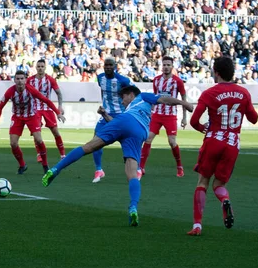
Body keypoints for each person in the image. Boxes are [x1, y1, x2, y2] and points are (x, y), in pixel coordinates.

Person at [42, 86, 193, 226]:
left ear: (131, 95)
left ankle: (55, 169)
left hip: (126, 122)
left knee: (88, 147)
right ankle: (133, 207)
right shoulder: (141, 113)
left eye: (123, 97)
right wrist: (105, 114)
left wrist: (183, 103)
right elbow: (117, 125)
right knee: (132, 174)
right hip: (139, 132)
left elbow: (164, 99)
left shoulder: (142, 96)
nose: (122, 101)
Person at [187, 56, 258, 236]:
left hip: (213, 140)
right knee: (219, 184)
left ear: (216, 72)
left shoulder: (209, 93)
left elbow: (194, 121)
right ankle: (224, 200)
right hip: (233, 143)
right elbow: (254, 118)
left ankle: (197, 225)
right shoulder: (243, 93)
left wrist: (204, 128)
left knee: (203, 181)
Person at [0, 70, 66, 174]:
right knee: (13, 143)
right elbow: (0, 107)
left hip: (32, 116)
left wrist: (57, 112)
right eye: (17, 79)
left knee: (39, 140)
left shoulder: (31, 89)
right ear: (14, 80)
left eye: (22, 79)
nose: (20, 81)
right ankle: (22, 165)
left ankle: (45, 165)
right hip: (17, 117)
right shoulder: (10, 91)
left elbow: (46, 100)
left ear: (25, 80)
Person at [138, 56, 188, 179]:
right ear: (162, 66)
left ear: (172, 66)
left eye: (168, 65)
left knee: (172, 142)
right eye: (164, 65)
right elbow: (155, 98)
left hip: (170, 116)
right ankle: (141, 168)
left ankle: (179, 166)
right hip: (157, 115)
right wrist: (150, 112)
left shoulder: (178, 82)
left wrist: (184, 117)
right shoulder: (156, 80)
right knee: (148, 139)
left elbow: (184, 100)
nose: (166, 67)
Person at [92, 57, 133, 183]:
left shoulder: (123, 80)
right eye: (106, 65)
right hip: (105, 115)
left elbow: (132, 95)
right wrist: (103, 106)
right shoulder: (100, 78)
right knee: (95, 142)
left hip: (120, 116)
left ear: (115, 66)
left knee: (127, 144)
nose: (108, 67)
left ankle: (133, 170)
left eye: (110, 65)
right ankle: (99, 170)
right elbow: (103, 93)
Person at [27, 59, 66, 162]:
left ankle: (62, 155)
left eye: (42, 66)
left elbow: (59, 93)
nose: (40, 68)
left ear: (45, 67)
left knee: (55, 132)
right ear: (36, 68)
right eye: (38, 66)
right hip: (35, 109)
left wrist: (60, 106)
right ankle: (39, 154)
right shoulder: (30, 80)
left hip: (47, 108)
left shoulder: (50, 80)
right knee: (37, 133)